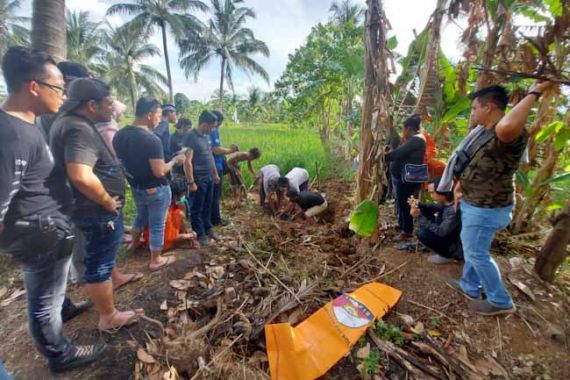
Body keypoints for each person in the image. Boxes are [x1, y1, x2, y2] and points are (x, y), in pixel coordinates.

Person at [0, 47, 105, 372]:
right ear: (33, 87)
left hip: (47, 231)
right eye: (58, 88)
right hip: (39, 234)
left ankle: (63, 311)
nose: (62, 96)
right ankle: (60, 354)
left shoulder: (28, 125)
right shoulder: (10, 135)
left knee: (50, 296)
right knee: (43, 304)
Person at [442, 82, 553, 316]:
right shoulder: (484, 132)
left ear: (489, 107)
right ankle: (470, 286)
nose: (471, 112)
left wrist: (534, 92)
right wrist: (460, 188)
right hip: (477, 202)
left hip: (487, 207)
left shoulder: (506, 133)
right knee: (474, 247)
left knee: (476, 252)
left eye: (474, 108)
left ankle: (500, 301)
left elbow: (508, 125)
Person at [50, 78, 145, 333]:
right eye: (109, 102)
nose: (113, 107)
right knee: (98, 263)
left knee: (103, 255)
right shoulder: (78, 129)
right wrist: (106, 200)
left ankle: (115, 280)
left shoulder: (71, 122)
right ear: (92, 105)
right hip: (96, 210)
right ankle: (109, 316)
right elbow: (81, 174)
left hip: (89, 208)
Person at [113, 97, 184, 270]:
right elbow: (159, 171)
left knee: (140, 216)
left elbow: (121, 162)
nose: (160, 119)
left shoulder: (120, 134)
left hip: (136, 186)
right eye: (159, 115)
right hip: (156, 189)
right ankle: (156, 260)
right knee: (157, 224)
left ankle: (134, 243)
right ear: (150, 115)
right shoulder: (151, 140)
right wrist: (175, 160)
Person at [385, 114, 426, 241]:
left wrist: (381, 156)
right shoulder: (415, 139)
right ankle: (402, 225)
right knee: (402, 202)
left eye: (403, 129)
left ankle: (407, 232)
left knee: (405, 203)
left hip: (408, 179)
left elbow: (398, 153)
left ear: (409, 128)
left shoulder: (416, 140)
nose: (403, 132)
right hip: (406, 177)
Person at [183, 110, 221, 246]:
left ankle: (208, 227)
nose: (212, 130)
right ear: (204, 124)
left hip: (209, 176)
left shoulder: (207, 137)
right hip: (198, 179)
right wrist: (191, 181)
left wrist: (215, 173)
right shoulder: (190, 137)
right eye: (211, 126)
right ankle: (200, 233)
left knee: (208, 204)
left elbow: (210, 156)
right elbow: (187, 161)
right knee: (197, 207)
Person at [409, 177, 463, 264]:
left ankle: (448, 255)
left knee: (422, 234)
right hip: (450, 235)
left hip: (455, 244)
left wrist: (419, 217)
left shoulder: (453, 210)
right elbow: (432, 207)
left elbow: (441, 232)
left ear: (443, 192)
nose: (431, 195)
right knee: (427, 211)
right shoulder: (446, 202)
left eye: (432, 193)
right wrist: (418, 204)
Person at [210, 110, 238, 226]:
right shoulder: (213, 130)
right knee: (215, 195)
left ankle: (211, 219)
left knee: (211, 195)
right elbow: (215, 149)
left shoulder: (205, 131)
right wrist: (230, 150)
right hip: (215, 165)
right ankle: (216, 220)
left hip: (214, 165)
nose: (219, 125)